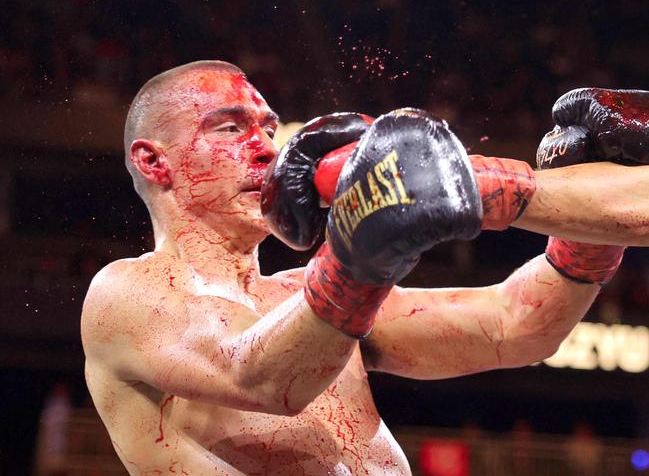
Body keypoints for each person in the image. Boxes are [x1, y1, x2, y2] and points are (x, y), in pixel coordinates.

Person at [80, 60, 643, 475]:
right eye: (229, 128)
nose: (264, 148)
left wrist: (584, 236)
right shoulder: (127, 292)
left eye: (268, 129)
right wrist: (361, 252)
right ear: (153, 160)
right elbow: (260, 378)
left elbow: (514, 327)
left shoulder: (304, 295)